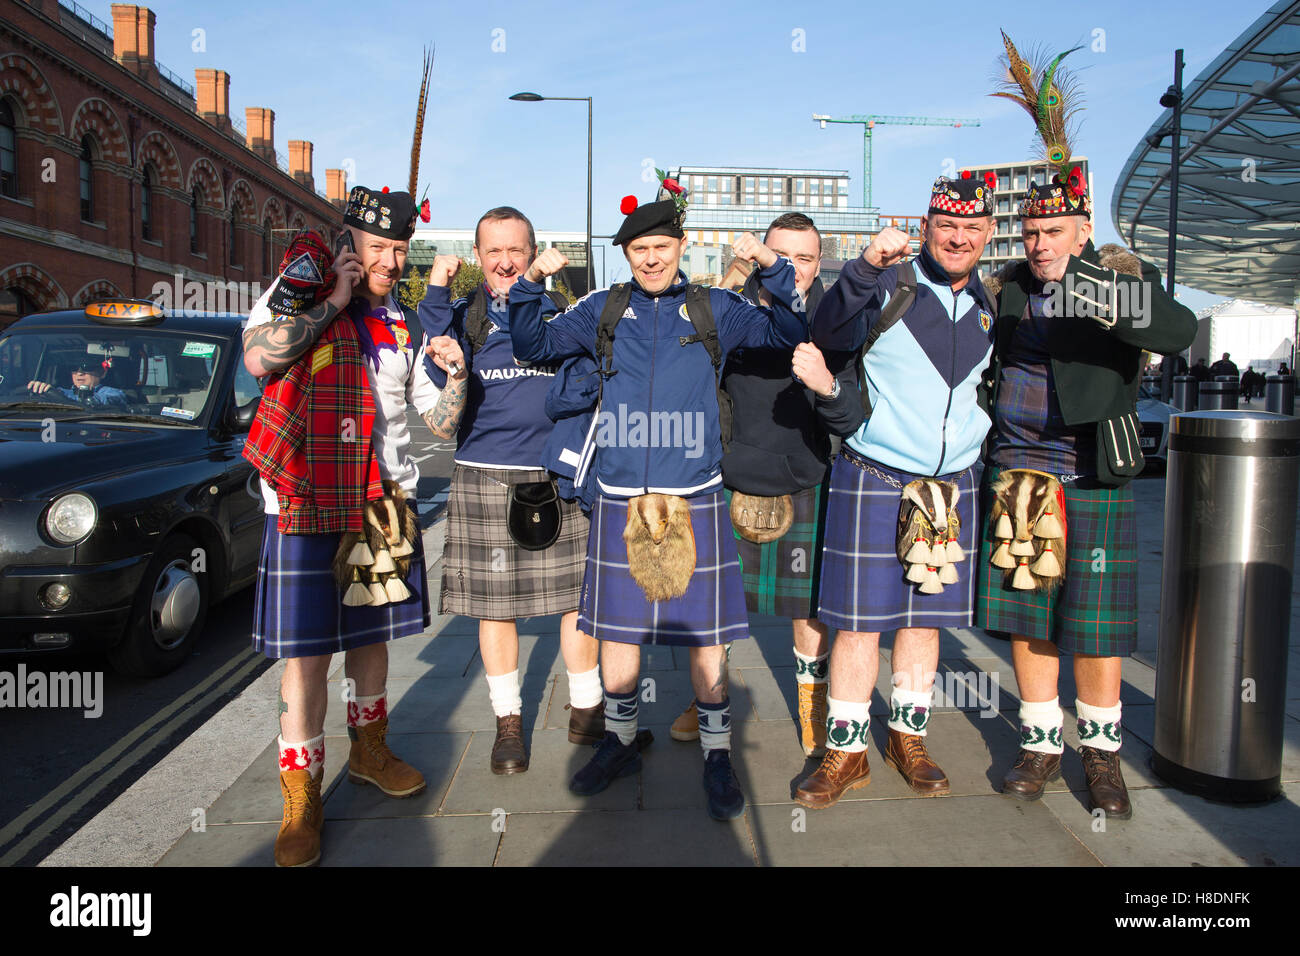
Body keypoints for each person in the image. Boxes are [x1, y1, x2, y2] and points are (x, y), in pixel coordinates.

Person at [507, 178, 808, 820]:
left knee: (705, 635)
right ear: (627, 252)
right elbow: (533, 347)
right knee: (618, 633)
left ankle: (718, 754)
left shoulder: (714, 308)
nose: (650, 258)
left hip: (693, 491)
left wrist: (773, 266)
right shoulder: (601, 309)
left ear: (680, 245)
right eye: (639, 247)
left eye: (661, 245)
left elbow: (787, 335)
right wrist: (532, 281)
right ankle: (618, 741)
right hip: (617, 493)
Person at [974, 43, 1198, 820]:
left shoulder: (1120, 279)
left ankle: (1101, 755)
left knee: (1095, 629)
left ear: (1079, 230)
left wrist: (1097, 288)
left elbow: (1176, 330)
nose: (1039, 244)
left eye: (1053, 230)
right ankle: (1040, 742)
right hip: (1019, 475)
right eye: (1032, 232)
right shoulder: (1005, 292)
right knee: (1029, 621)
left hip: (1090, 476)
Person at [242, 186, 468, 867]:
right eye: (378, 249)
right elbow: (257, 358)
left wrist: (455, 376)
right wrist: (334, 304)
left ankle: (369, 750)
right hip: (308, 500)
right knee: (308, 655)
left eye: (401, 250)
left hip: (384, 500)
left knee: (371, 640)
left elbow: (436, 421)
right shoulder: (302, 283)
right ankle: (301, 793)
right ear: (349, 244)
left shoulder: (400, 323)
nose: (391, 261)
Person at [797, 171, 998, 809]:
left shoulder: (992, 303)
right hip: (875, 473)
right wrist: (860, 266)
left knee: (925, 622)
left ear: (989, 233)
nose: (958, 238)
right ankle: (847, 748)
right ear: (926, 227)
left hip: (951, 484)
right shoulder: (891, 285)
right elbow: (826, 330)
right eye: (947, 226)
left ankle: (907, 739)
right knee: (856, 623)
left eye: (972, 228)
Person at [415, 206, 601, 774]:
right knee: (495, 612)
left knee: (578, 603)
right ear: (478, 257)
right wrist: (453, 369)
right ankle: (508, 725)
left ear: (533, 252)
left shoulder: (559, 311)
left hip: (558, 475)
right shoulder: (460, 321)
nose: (504, 261)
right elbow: (440, 425)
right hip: (485, 476)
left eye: (515, 250)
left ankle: (587, 714)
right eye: (493, 251)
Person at [670, 213, 859, 758]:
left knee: (810, 610)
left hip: (804, 475)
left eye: (805, 258)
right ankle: (706, 699)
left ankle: (811, 704)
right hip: (726, 475)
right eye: (782, 255)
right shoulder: (728, 312)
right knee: (714, 605)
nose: (794, 268)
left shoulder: (835, 319)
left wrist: (825, 386)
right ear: (760, 257)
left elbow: (849, 412)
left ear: (819, 264)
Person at [27, 360, 128, 406]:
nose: (79, 373)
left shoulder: (114, 393)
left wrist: (85, 399)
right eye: (73, 368)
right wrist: (41, 390)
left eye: (87, 367)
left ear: (103, 373)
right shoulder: (60, 392)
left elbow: (106, 400)